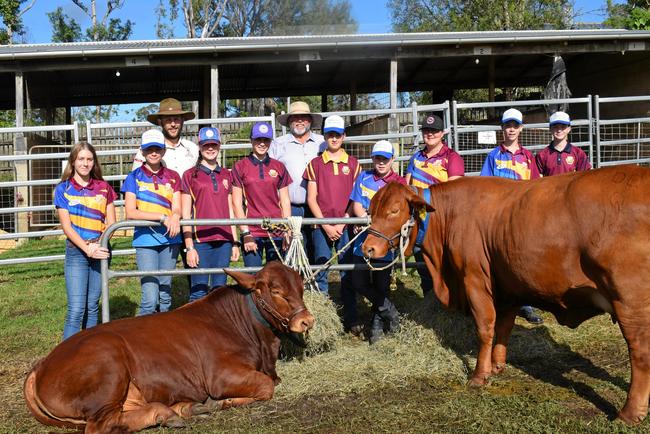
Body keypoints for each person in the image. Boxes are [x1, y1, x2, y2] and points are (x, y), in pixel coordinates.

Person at [480, 108, 543, 325]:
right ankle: (500, 301)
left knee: (522, 258)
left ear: (521, 128)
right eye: (508, 125)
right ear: (502, 129)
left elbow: (535, 186)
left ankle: (526, 303)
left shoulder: (528, 157)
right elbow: (485, 186)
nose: (511, 129)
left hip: (522, 215)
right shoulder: (493, 156)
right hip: (499, 215)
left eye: (515, 125)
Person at [132, 98, 199, 288]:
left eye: (176, 119)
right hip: (161, 221)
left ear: (182, 121)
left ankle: (193, 309)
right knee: (160, 276)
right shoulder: (147, 152)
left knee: (194, 268)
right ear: (160, 122)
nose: (173, 123)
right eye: (168, 119)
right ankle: (160, 311)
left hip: (188, 216)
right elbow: (138, 185)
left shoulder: (192, 149)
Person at [54, 142, 116, 340]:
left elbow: (112, 222)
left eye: (89, 159)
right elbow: (67, 227)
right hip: (77, 252)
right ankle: (64, 360)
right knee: (76, 309)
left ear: (94, 162)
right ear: (73, 161)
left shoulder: (104, 188)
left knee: (92, 306)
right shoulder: (63, 189)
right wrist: (87, 248)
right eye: (81, 159)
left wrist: (99, 245)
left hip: (101, 250)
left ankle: (89, 355)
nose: (85, 163)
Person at [304, 115, 360, 326]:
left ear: (344, 137)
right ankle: (324, 321)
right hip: (321, 224)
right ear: (325, 136)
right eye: (330, 134)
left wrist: (343, 221)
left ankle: (351, 319)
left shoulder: (353, 164)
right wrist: (327, 225)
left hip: (345, 223)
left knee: (348, 270)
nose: (334, 138)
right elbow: (311, 198)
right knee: (321, 268)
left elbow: (355, 196)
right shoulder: (315, 164)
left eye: (338, 134)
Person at [348, 140, 407, 343]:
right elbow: (356, 204)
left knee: (381, 284)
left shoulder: (399, 184)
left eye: (385, 159)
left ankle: (376, 327)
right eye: (377, 158)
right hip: (363, 238)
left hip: (385, 241)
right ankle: (389, 310)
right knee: (359, 281)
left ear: (392, 159)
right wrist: (364, 218)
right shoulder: (363, 178)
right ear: (372, 159)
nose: (381, 163)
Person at [122, 129, 182, 316]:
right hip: (145, 240)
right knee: (149, 296)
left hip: (170, 239)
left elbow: (177, 207)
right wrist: (162, 217)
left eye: (157, 148)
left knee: (165, 292)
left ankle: (164, 337)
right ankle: (142, 338)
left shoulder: (173, 176)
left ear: (163, 151)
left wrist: (175, 216)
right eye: (149, 149)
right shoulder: (134, 177)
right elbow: (131, 212)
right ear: (142, 151)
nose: (153, 153)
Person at [405, 113, 464, 297]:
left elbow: (455, 190)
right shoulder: (416, 158)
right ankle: (429, 298)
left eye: (434, 131)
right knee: (421, 257)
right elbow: (407, 187)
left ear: (442, 134)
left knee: (445, 261)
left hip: (441, 217)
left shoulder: (452, 157)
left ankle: (450, 299)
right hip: (419, 216)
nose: (430, 134)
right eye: (427, 131)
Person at [181, 127, 240, 302]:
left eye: (214, 144)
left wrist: (235, 241)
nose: (210, 148)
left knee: (219, 289)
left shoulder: (226, 175)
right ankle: (194, 327)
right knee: (198, 290)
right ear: (200, 147)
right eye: (206, 145)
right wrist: (189, 247)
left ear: (219, 145)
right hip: (201, 241)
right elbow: (186, 213)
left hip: (224, 240)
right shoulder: (190, 175)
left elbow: (230, 209)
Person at [269, 101, 325, 261]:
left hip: (318, 205)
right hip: (291, 205)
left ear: (310, 121)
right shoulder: (278, 144)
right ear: (288, 121)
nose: (299, 121)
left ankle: (317, 283)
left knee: (318, 246)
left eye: (303, 118)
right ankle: (296, 282)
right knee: (293, 246)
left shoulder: (322, 143)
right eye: (295, 118)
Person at [232, 122, 292, 267]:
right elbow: (236, 202)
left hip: (277, 229)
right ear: (251, 140)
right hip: (252, 229)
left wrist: (287, 229)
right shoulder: (240, 167)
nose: (262, 143)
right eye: (258, 139)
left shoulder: (279, 167)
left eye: (266, 140)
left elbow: (285, 200)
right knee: (254, 277)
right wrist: (245, 233)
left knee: (276, 277)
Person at [535, 111, 591, 176]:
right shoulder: (542, 155)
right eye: (555, 126)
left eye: (563, 126)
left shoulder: (578, 153)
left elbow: (584, 177)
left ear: (569, 129)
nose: (559, 130)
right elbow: (538, 180)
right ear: (550, 129)